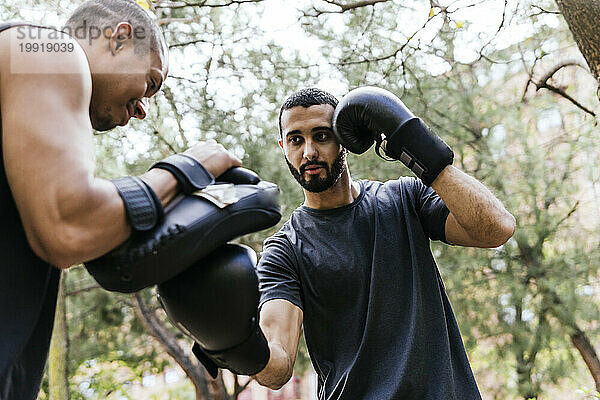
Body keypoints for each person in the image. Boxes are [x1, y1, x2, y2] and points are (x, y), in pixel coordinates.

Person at [0, 1, 240, 398]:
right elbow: (68, 227)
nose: (144, 109)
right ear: (119, 37)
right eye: (151, 82)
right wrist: (187, 169)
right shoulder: (44, 49)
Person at [253, 87, 516, 399]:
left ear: (345, 140)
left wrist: (417, 145)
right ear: (283, 146)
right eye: (296, 139)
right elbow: (277, 366)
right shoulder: (285, 250)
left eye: (321, 136)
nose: (309, 151)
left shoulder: (404, 200)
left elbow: (497, 228)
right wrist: (229, 338)